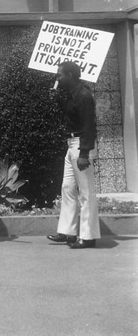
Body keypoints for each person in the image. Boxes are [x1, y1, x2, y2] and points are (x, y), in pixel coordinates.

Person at [47, 61, 100, 249]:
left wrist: (84, 153)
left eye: (60, 74)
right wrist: (58, 99)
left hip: (80, 146)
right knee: (67, 187)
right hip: (72, 144)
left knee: (86, 192)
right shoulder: (72, 95)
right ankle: (68, 232)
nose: (57, 78)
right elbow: (72, 116)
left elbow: (88, 126)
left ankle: (88, 237)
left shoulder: (84, 95)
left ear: (70, 75)